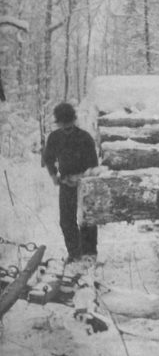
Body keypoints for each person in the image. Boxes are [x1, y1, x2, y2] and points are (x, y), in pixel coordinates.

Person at [43, 102, 99, 262]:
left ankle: (89, 254)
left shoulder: (85, 138)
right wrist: (54, 175)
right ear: (59, 123)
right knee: (66, 221)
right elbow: (48, 158)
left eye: (69, 124)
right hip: (66, 184)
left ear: (74, 120)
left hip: (85, 185)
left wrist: (82, 178)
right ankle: (75, 254)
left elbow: (94, 165)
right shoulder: (54, 138)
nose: (66, 128)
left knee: (88, 219)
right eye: (63, 125)